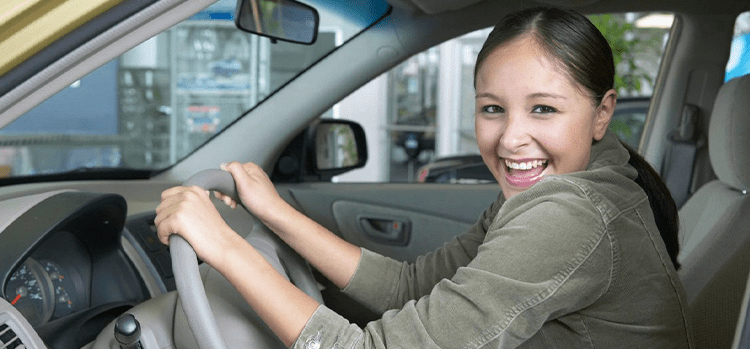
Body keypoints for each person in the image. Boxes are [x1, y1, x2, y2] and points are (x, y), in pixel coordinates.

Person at [155, 7, 692, 348]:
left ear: (602, 113)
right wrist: (273, 212)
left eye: (544, 110)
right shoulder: (573, 189)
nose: (510, 139)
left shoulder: (571, 214)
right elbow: (409, 288)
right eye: (492, 109)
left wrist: (225, 247)